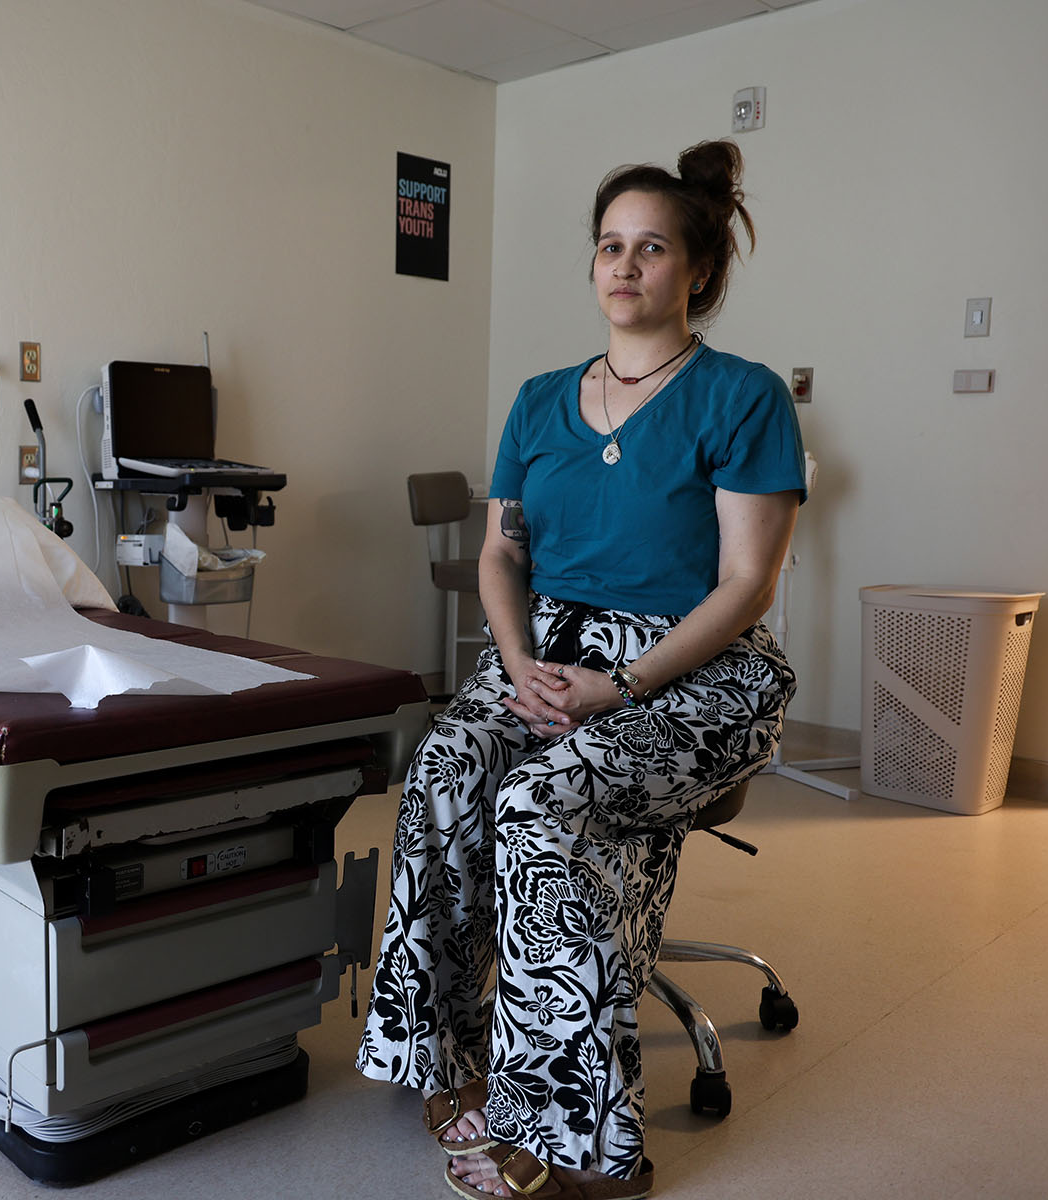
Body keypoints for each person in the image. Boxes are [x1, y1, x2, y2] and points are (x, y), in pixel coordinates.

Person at [356, 140, 805, 1200]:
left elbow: (746, 585)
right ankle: (446, 1055)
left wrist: (627, 683)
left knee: (542, 803)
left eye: (652, 248)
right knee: (446, 774)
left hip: (696, 669)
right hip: (546, 651)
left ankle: (573, 1138)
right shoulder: (541, 400)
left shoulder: (741, 398)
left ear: (696, 270)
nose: (626, 265)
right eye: (610, 245)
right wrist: (514, 661)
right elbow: (503, 550)